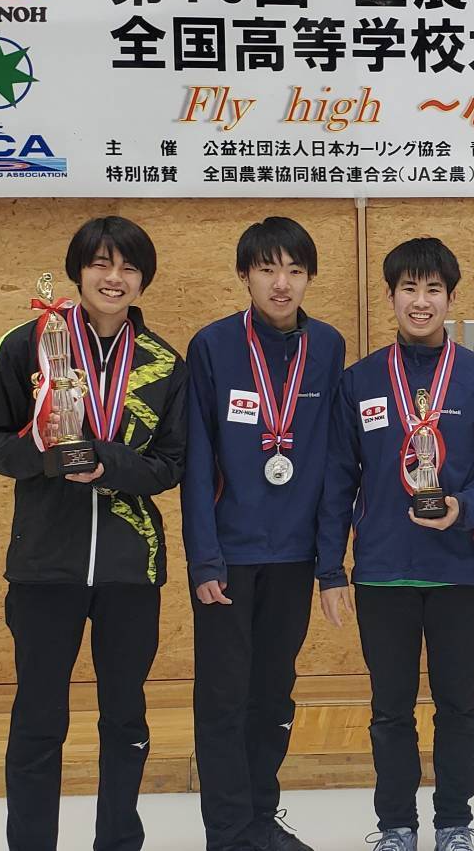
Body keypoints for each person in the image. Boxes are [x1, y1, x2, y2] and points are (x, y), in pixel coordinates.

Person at [0, 215, 189, 851]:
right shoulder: (29, 345)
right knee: (39, 720)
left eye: (128, 267)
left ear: (143, 280)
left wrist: (105, 463)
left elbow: (170, 465)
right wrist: (45, 455)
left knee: (125, 718)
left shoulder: (164, 363)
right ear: (78, 271)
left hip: (130, 570)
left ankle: (118, 842)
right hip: (45, 567)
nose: (113, 278)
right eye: (101, 264)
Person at [315, 237, 474, 851]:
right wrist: (331, 569)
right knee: (389, 709)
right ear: (391, 295)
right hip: (382, 571)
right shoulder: (360, 381)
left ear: (451, 298)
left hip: (458, 569)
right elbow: (337, 478)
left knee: (458, 705)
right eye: (409, 288)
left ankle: (454, 823)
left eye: (433, 289)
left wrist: (463, 508)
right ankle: (396, 825)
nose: (421, 301)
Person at [182, 216, 346, 851]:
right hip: (229, 555)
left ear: (309, 278)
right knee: (224, 698)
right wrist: (204, 559)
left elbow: (332, 461)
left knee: (274, 694)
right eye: (268, 269)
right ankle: (227, 832)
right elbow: (198, 462)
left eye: (295, 271)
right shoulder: (213, 346)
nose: (282, 284)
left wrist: (328, 563)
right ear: (244, 275)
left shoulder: (327, 347)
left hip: (294, 556)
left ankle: (259, 818)